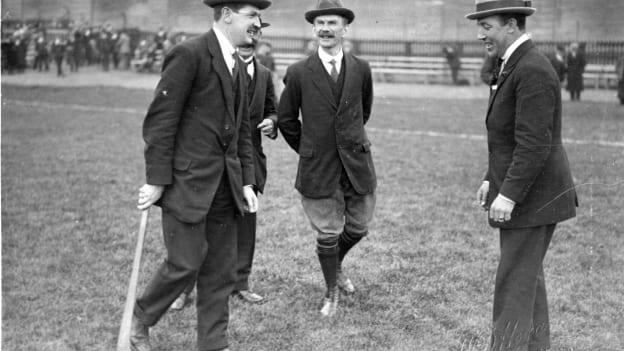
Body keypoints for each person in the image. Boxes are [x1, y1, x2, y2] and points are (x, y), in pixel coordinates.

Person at [130, 0, 270, 350]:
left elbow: (240, 132)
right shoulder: (188, 54)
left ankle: (213, 343)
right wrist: (157, 179)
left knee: (220, 272)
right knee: (184, 264)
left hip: (227, 187)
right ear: (227, 14)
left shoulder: (239, 64)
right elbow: (161, 121)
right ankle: (141, 319)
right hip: (186, 185)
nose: (257, 22)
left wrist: (248, 180)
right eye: (251, 15)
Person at [466, 1, 578, 350]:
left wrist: (509, 194)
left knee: (514, 283)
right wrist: (491, 178)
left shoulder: (531, 68)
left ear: (511, 24)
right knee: (527, 280)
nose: (480, 33)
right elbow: (506, 137)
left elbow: (533, 143)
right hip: (532, 193)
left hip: (534, 197)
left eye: (487, 25)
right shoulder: (512, 63)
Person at [170, 19, 278, 309]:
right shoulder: (219, 68)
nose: (250, 38)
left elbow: (272, 110)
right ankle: (185, 288)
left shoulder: (266, 75)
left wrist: (272, 121)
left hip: (248, 162)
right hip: (213, 163)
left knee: (245, 224)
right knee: (201, 225)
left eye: (256, 33)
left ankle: (240, 283)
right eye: (247, 31)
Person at [278, 0, 376, 318]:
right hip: (318, 166)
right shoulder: (298, 72)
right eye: (319, 24)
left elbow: (364, 111)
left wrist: (347, 143)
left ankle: (337, 265)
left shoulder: (361, 69)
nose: (325, 29)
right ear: (314, 29)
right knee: (328, 232)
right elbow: (287, 120)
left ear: (345, 28)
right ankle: (331, 291)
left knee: (359, 227)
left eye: (332, 23)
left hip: (356, 164)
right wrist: (310, 149)